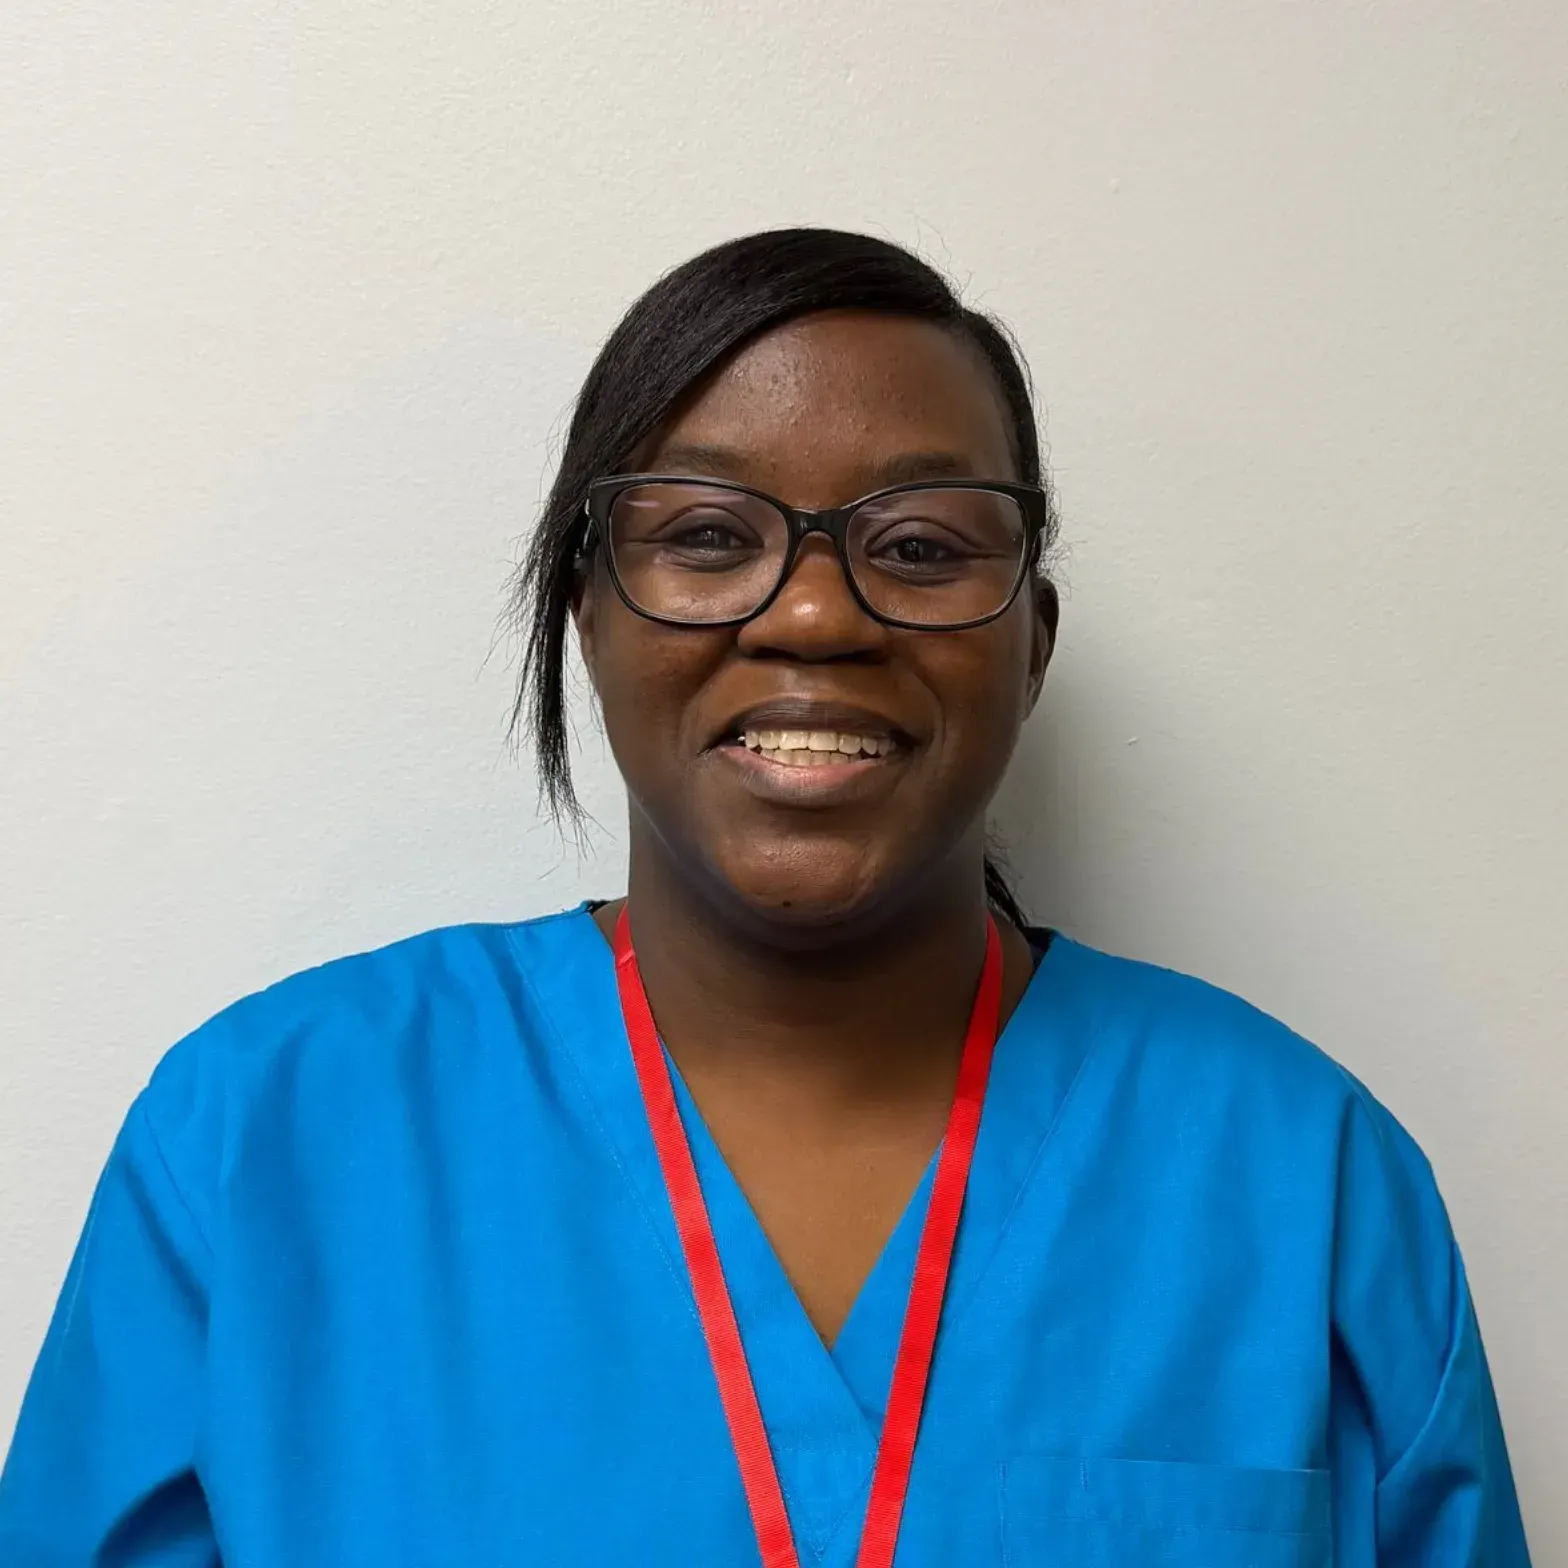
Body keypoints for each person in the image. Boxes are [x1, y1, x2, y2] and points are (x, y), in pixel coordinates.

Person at [0, 228, 1530, 1567]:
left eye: (922, 547)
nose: (812, 611)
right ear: (586, 614)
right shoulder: (262, 1140)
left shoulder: (1299, 1169)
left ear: (1032, 643)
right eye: (708, 538)